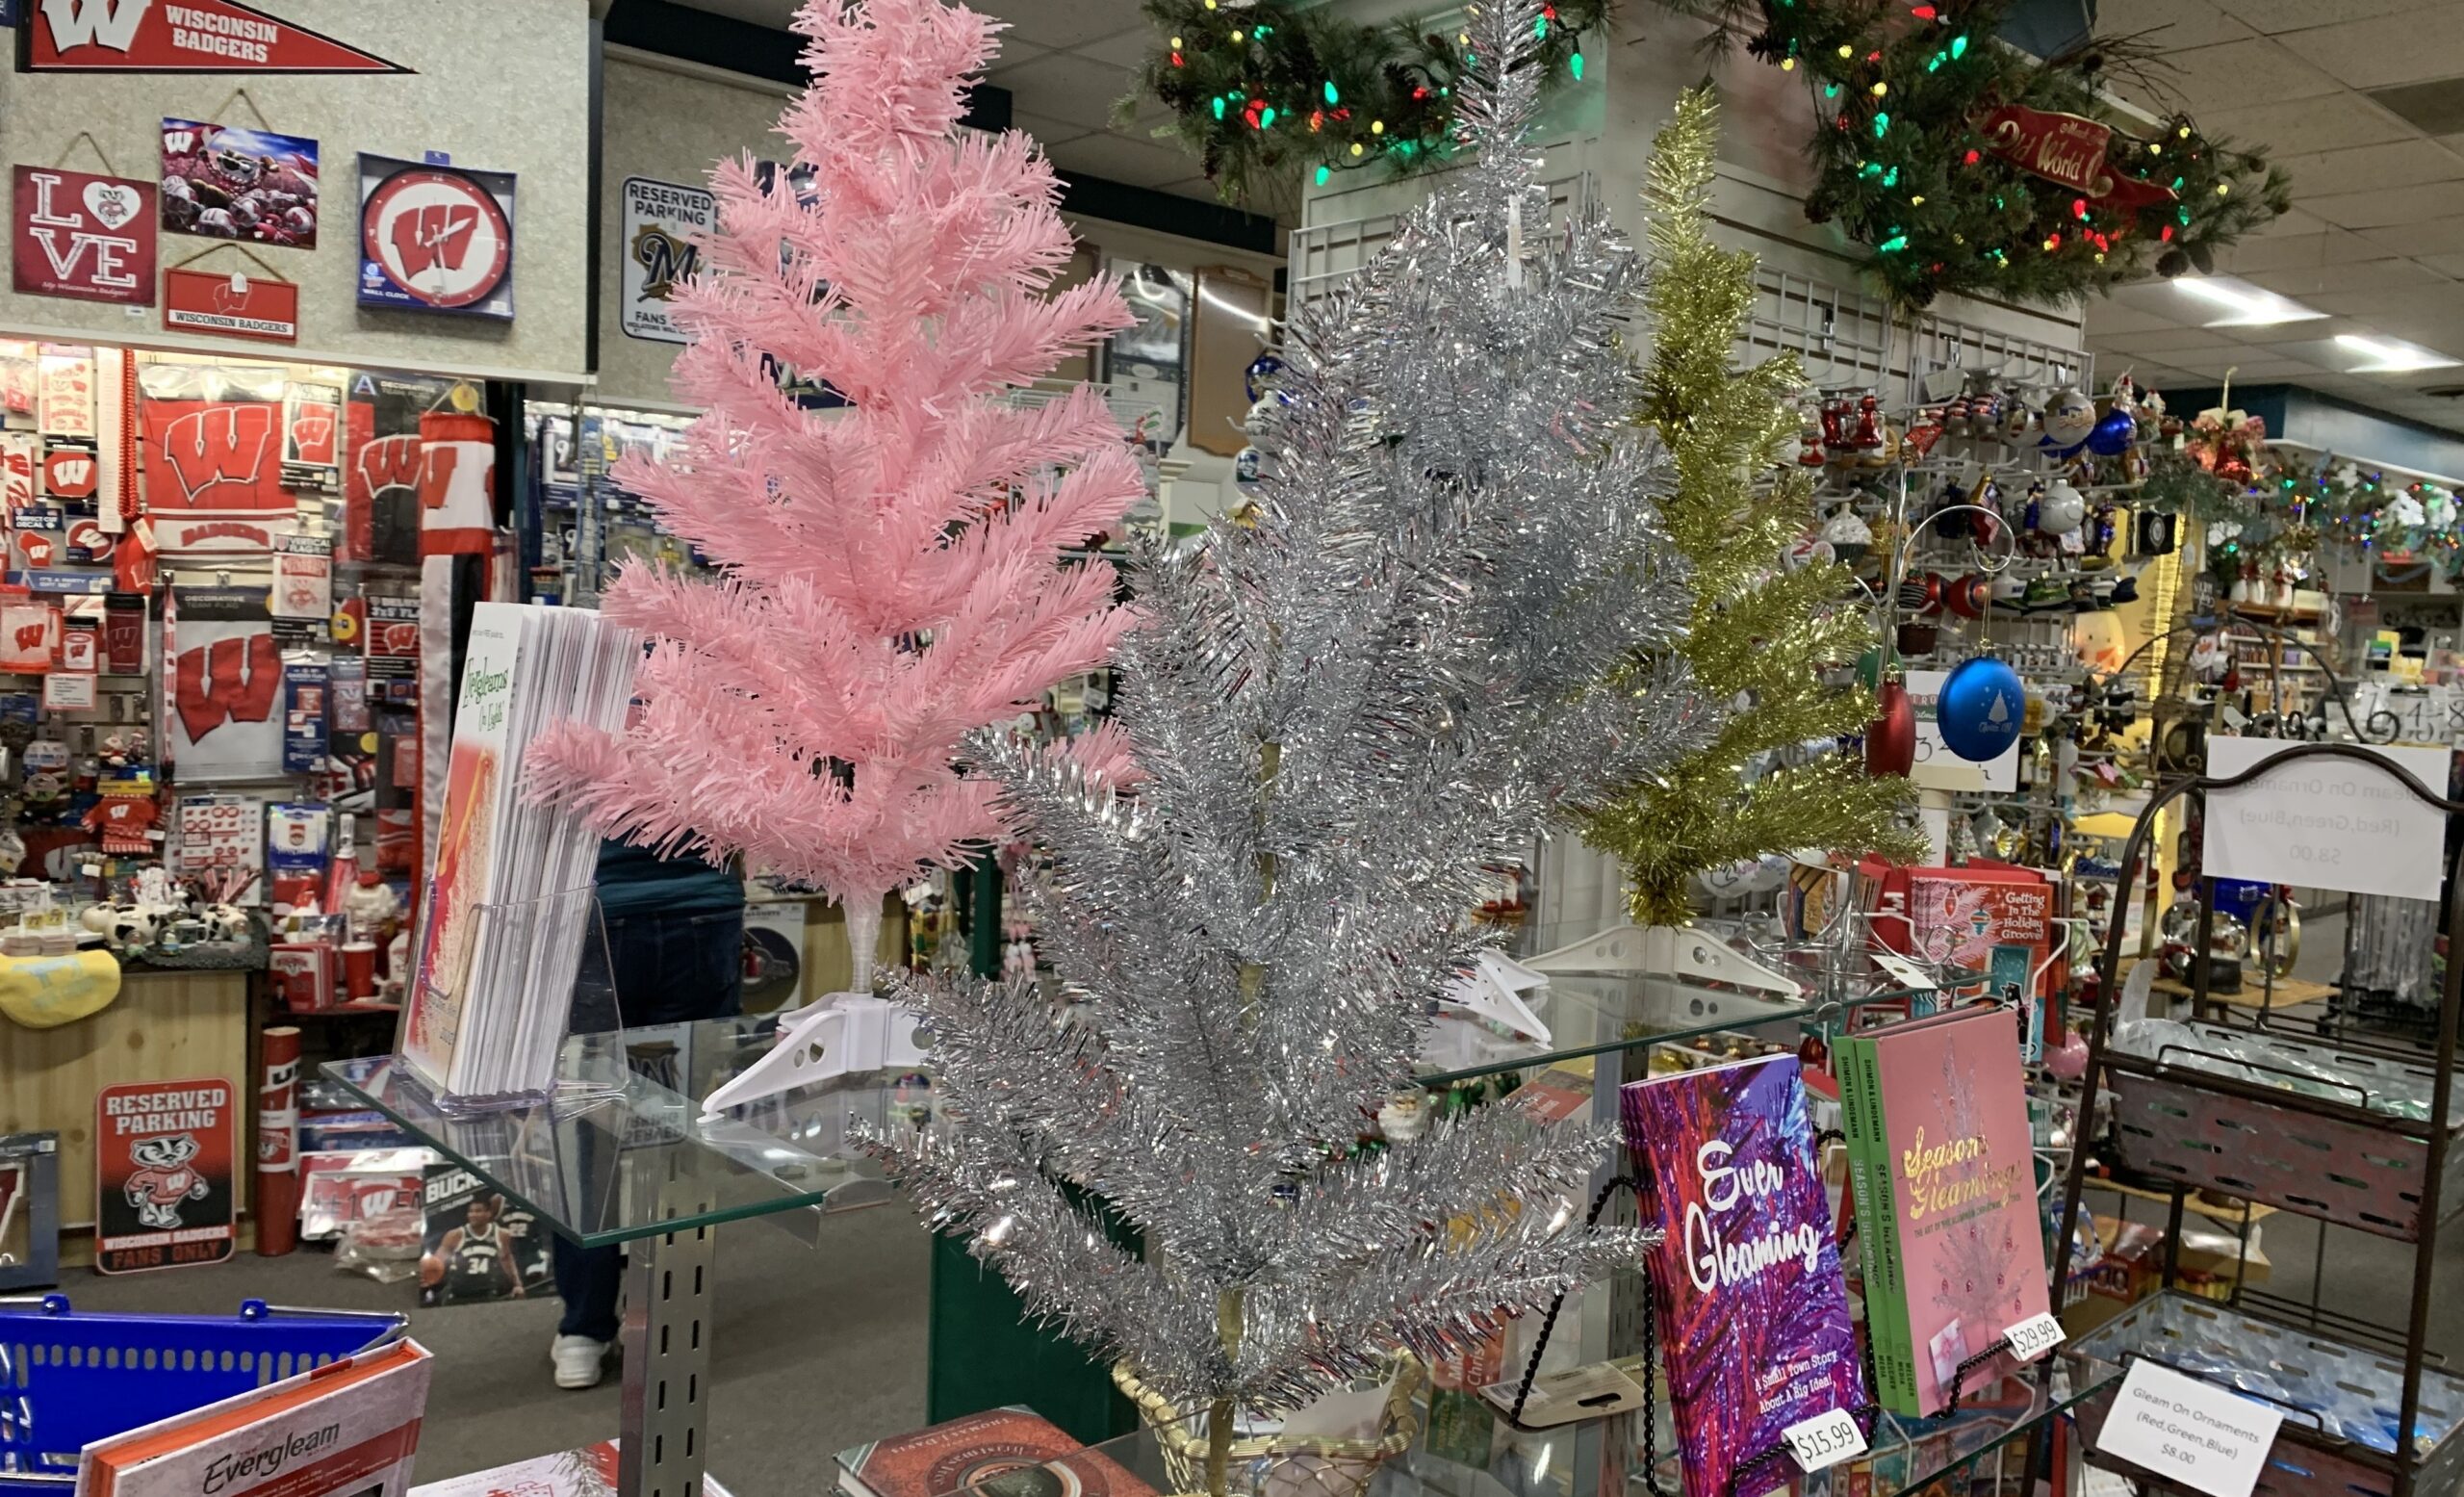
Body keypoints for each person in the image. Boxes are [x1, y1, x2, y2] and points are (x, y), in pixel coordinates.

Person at [550, 840, 744, 1390]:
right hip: (701, 904)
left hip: (601, 906)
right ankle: (668, 1317)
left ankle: (585, 1328)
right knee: (677, 1125)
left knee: (589, 1125)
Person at [424, 1193, 525, 1304]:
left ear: (488, 1214)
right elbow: (437, 1262)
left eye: (478, 1211)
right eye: (471, 1211)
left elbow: (506, 1260)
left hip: (487, 1292)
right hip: (459, 1293)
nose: (473, 1215)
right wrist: (427, 1280)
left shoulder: (501, 1235)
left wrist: (517, 1285)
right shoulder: (455, 1235)